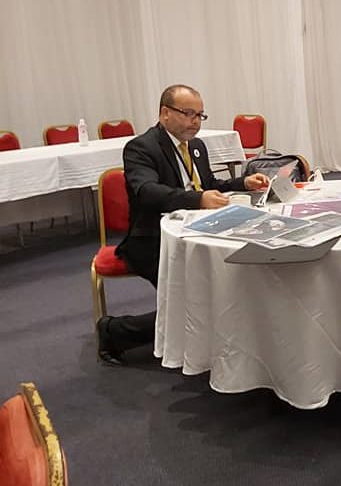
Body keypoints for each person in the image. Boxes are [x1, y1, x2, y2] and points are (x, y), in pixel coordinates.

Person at [96, 84, 270, 365]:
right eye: (188, 113)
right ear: (165, 113)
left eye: (200, 115)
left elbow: (208, 185)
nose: (195, 122)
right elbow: (147, 191)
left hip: (201, 230)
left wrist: (242, 183)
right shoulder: (141, 147)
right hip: (153, 239)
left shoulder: (196, 146)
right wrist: (197, 199)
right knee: (198, 301)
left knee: (225, 284)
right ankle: (115, 332)